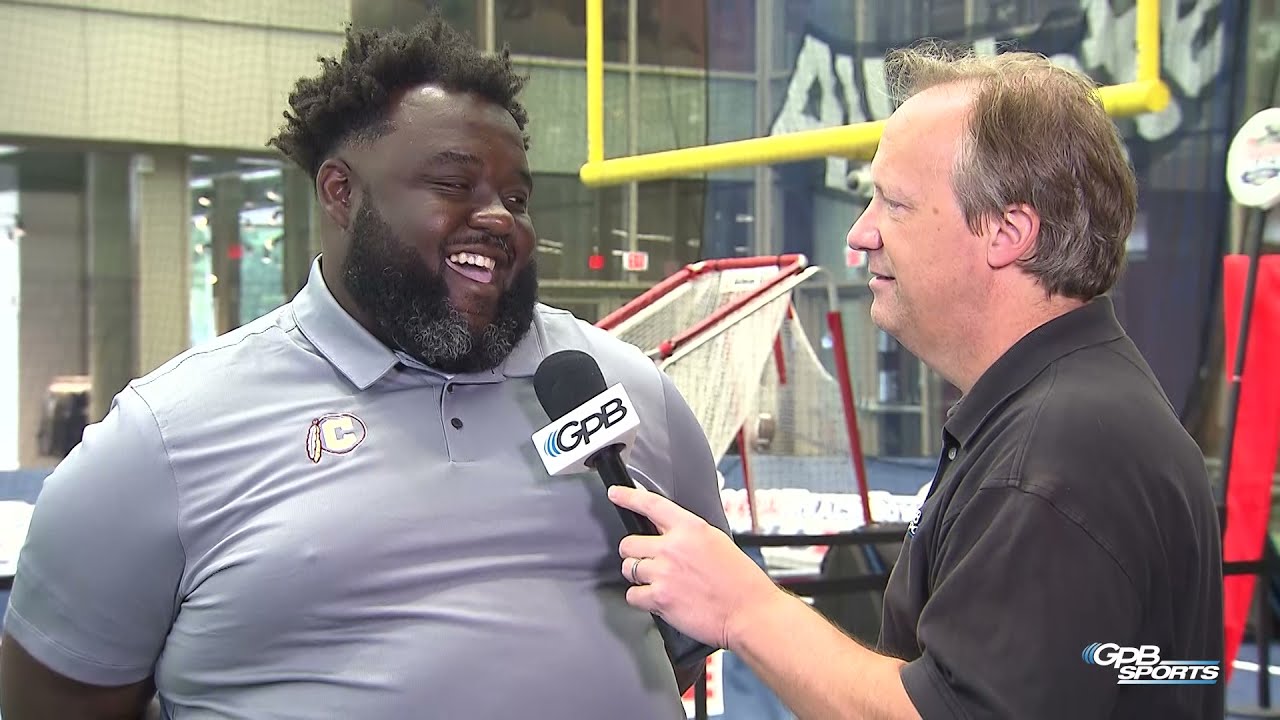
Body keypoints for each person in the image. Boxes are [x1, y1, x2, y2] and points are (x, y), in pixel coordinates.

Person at [0, 15, 728, 720]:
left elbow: (696, 630)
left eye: (516, 197)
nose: (501, 217)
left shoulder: (626, 389)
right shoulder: (162, 439)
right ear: (341, 192)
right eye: (454, 184)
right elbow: (57, 699)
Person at [607, 43, 1224, 720]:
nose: (861, 232)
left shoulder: (1056, 453)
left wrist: (742, 606)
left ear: (1006, 231)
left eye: (893, 203)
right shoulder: (1069, 413)